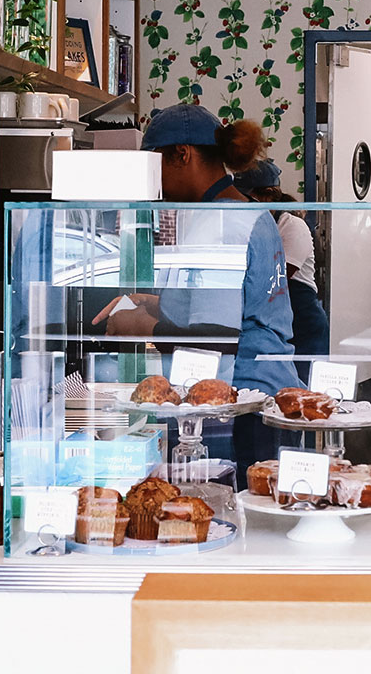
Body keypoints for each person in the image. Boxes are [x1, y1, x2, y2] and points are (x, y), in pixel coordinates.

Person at [93, 104, 302, 479]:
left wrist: (141, 327)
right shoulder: (242, 212)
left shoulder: (220, 223)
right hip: (265, 392)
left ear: (181, 155)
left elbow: (213, 339)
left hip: (239, 408)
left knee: (230, 518)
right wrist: (156, 304)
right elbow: (231, 304)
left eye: (153, 164)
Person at [234, 159, 330, 384]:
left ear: (268, 195)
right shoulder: (253, 224)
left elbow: (277, 278)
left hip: (303, 321)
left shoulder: (292, 225)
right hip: (273, 321)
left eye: (249, 198)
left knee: (302, 394)